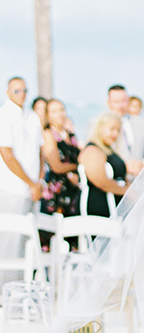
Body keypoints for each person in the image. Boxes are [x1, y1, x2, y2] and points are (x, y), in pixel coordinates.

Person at [0, 77, 44, 287]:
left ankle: (22, 288)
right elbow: (7, 154)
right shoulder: (4, 115)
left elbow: (40, 151)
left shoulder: (33, 117)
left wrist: (39, 182)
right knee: (8, 241)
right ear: (8, 92)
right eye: (17, 91)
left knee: (27, 243)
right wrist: (29, 182)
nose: (22, 94)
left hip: (32, 190)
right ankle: (5, 290)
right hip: (12, 189)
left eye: (25, 90)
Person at [39, 99, 81, 247]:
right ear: (48, 115)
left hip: (73, 191)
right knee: (52, 236)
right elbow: (56, 166)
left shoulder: (70, 134)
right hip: (57, 191)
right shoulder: (48, 134)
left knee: (73, 236)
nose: (60, 114)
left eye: (62, 110)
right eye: (54, 111)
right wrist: (76, 167)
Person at [78, 112, 129, 217]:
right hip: (99, 212)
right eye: (112, 129)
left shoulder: (108, 150)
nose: (115, 134)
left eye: (118, 130)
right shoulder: (93, 150)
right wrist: (128, 192)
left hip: (114, 211)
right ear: (100, 128)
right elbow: (101, 182)